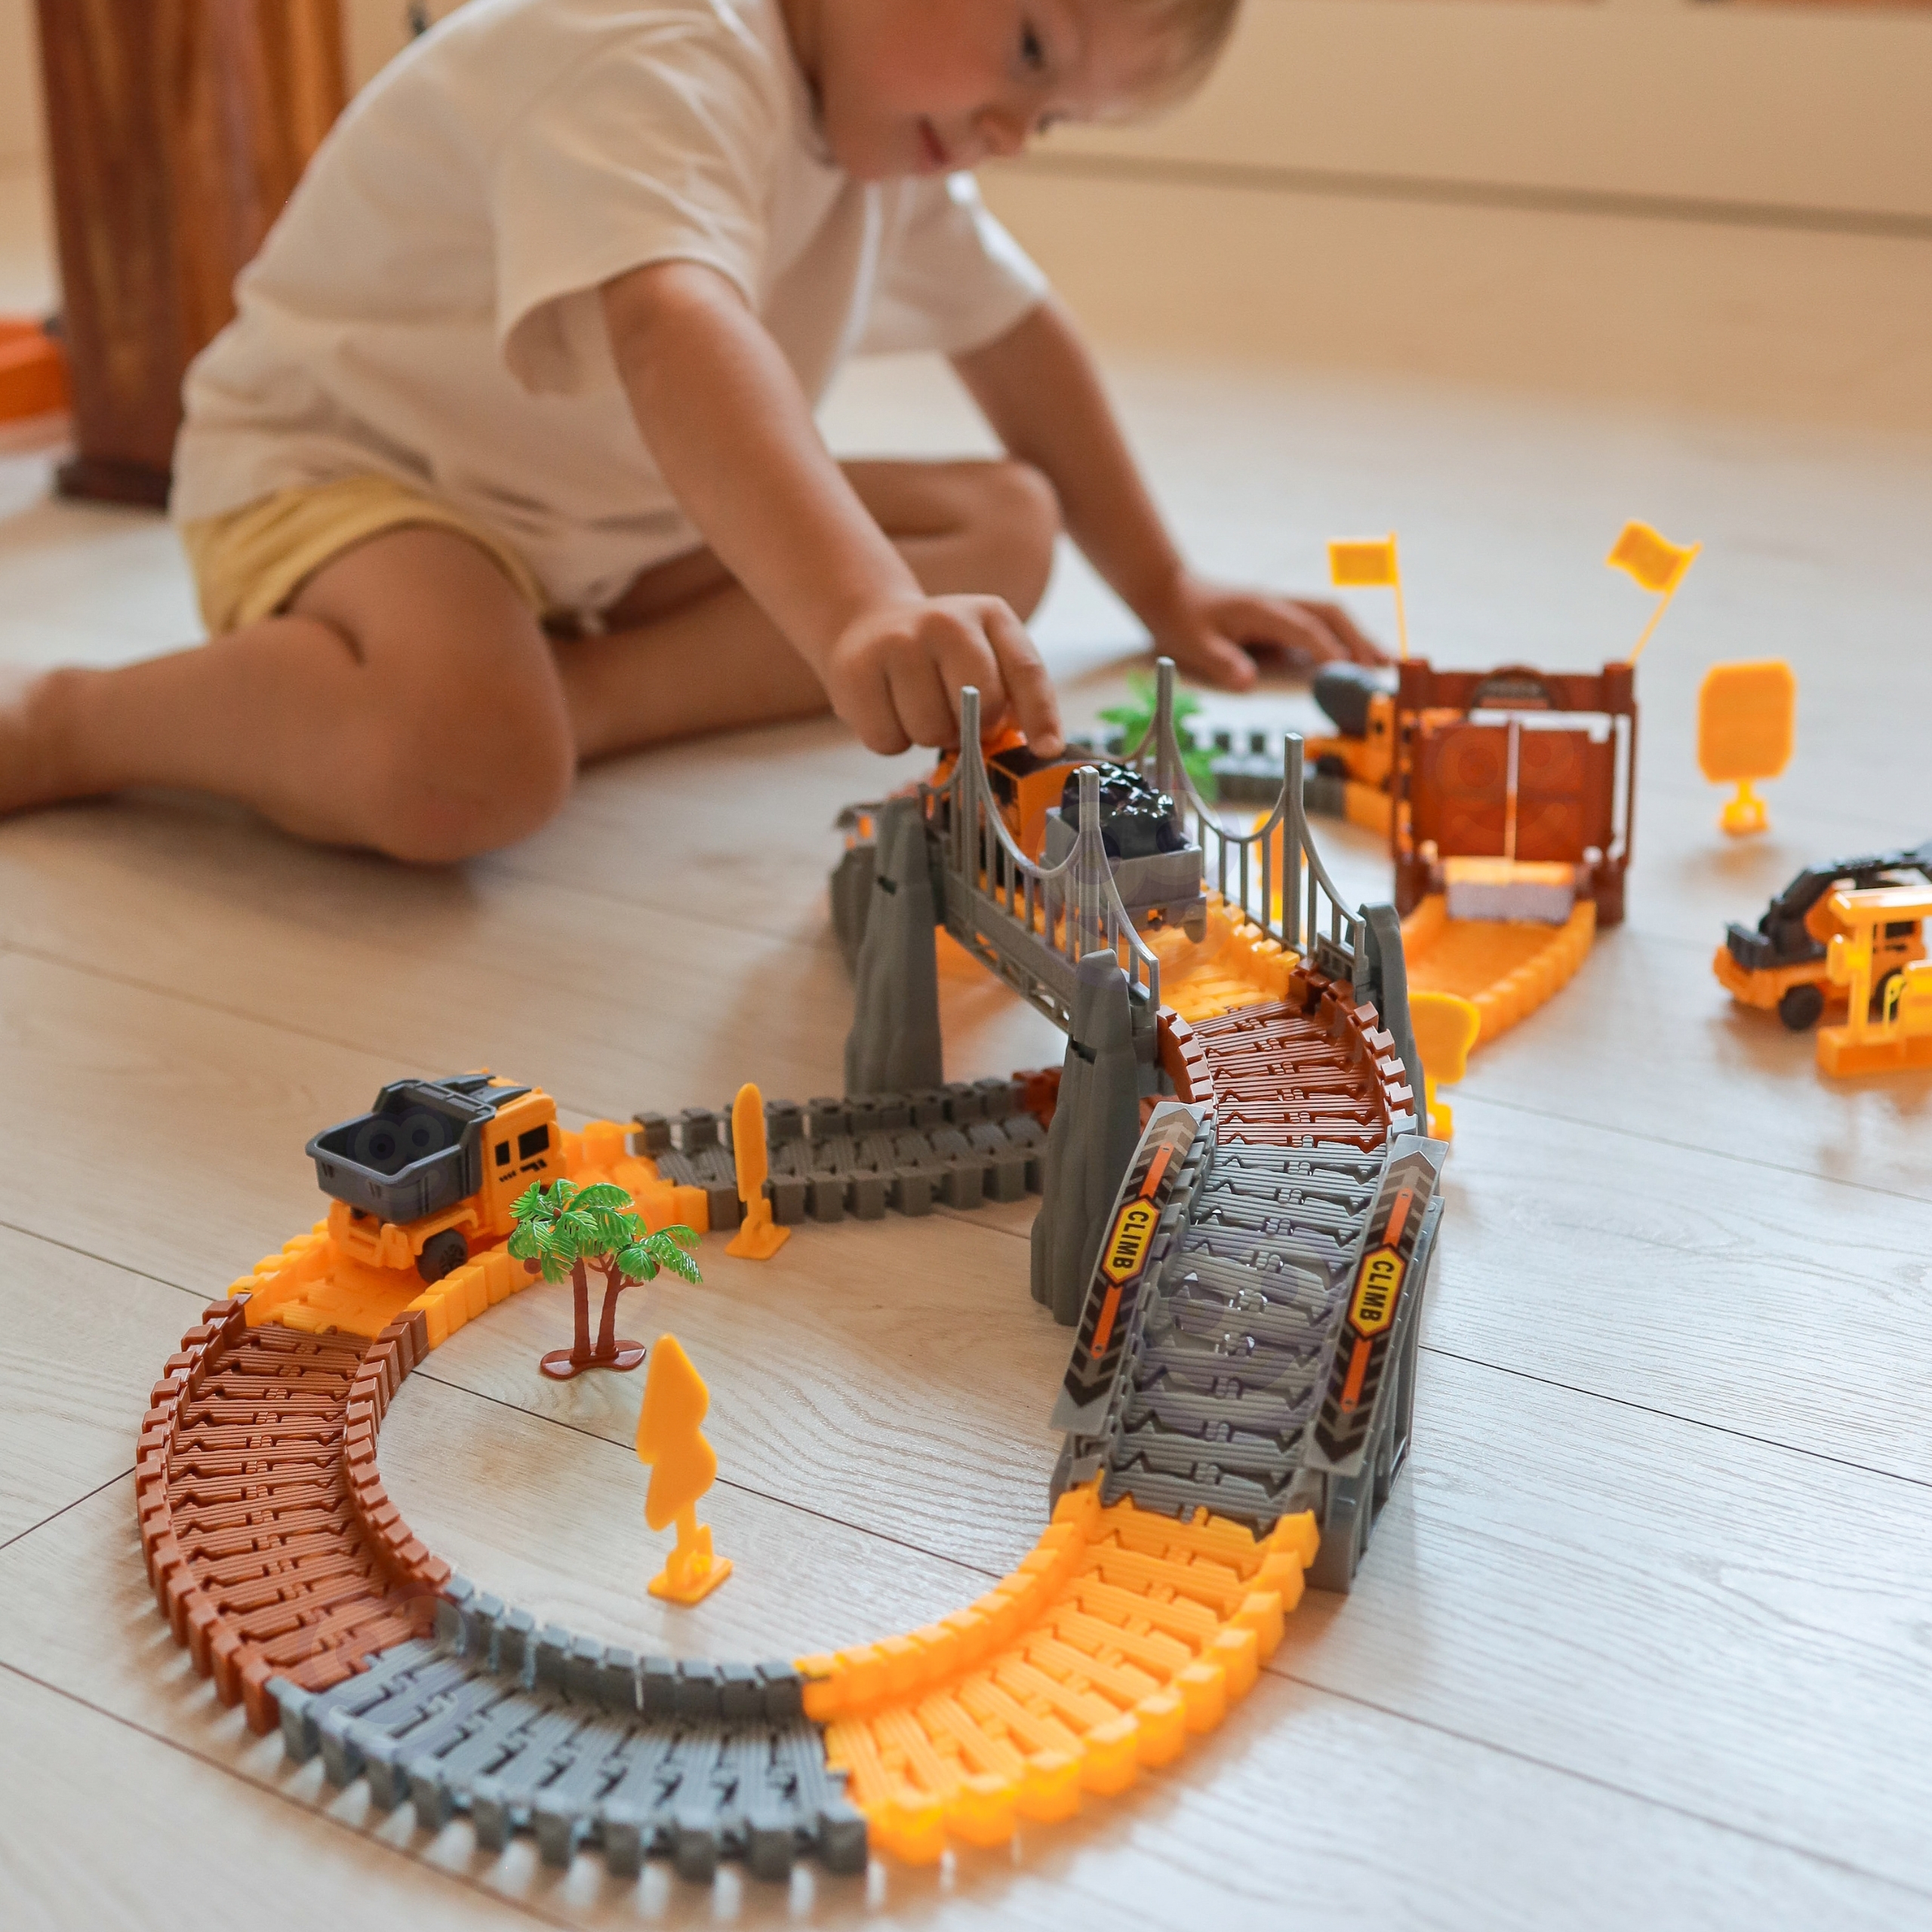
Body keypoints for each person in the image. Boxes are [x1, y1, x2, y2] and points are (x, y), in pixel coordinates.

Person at [1, 0, 1380, 862]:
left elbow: (1016, 336)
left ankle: (566, 695)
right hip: (352, 482)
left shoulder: (884, 124)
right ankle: (75, 722)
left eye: (1059, 116)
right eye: (1030, 50)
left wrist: (1167, 584)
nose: (1016, 128)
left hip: (593, 531)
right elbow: (674, 330)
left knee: (1002, 526)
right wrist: (855, 609)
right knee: (466, 771)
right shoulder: (656, 42)